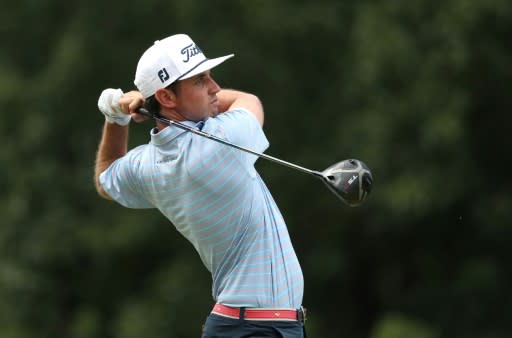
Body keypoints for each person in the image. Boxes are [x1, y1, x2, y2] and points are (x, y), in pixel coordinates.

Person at [94, 34, 307, 337]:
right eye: (200, 80)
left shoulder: (148, 165)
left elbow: (106, 176)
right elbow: (249, 101)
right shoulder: (221, 142)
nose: (215, 88)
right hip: (257, 328)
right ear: (167, 97)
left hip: (249, 325)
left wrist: (115, 117)